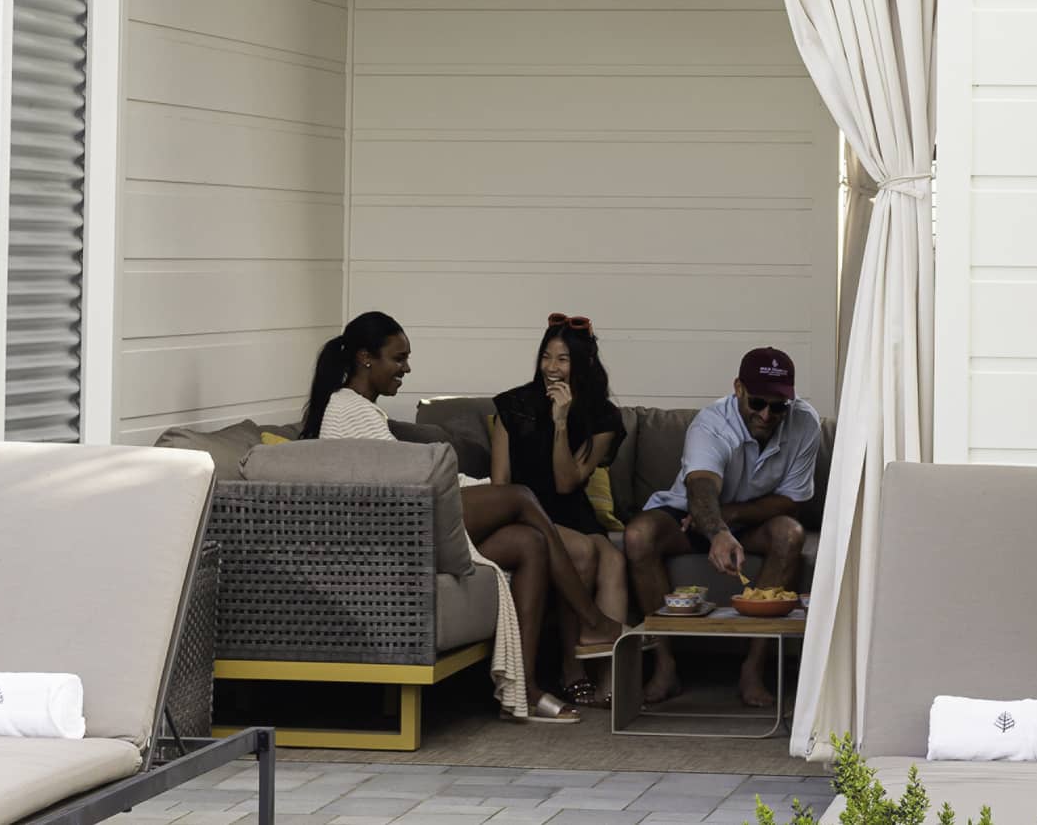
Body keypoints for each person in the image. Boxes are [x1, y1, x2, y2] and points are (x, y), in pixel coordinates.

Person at [301, 310, 624, 724]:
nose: (406, 367)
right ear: (366, 358)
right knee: (521, 497)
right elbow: (411, 485)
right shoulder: (349, 410)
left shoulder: (362, 410)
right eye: (398, 359)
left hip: (415, 519)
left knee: (530, 543)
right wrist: (488, 489)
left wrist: (480, 485)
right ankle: (593, 620)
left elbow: (410, 475)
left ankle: (523, 689)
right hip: (404, 532)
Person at [622, 346, 820, 709]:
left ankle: (754, 669)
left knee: (790, 533)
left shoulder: (805, 422)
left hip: (745, 519)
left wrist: (730, 516)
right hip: (687, 515)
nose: (767, 414)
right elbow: (700, 486)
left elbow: (792, 501)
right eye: (758, 402)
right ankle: (665, 665)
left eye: (778, 406)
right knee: (638, 535)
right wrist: (714, 530)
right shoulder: (711, 423)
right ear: (738, 389)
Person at [491, 312, 629, 710]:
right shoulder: (513, 405)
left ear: (583, 363)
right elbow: (500, 485)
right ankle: (572, 670)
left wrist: (562, 423)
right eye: (546, 357)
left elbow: (568, 482)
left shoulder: (603, 417)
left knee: (613, 560)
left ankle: (610, 677)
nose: (552, 368)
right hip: (525, 510)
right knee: (584, 553)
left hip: (571, 509)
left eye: (563, 359)